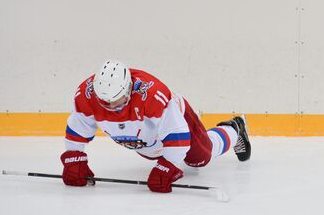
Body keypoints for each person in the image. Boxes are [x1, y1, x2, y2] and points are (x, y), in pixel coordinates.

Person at [60, 59, 251, 193]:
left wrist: (167, 168)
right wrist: (74, 159)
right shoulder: (86, 95)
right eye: (105, 102)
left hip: (178, 122)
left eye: (117, 101)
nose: (111, 108)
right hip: (146, 140)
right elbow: (78, 128)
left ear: (128, 88)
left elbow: (178, 136)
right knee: (153, 153)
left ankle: (235, 128)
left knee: (199, 160)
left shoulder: (153, 96)